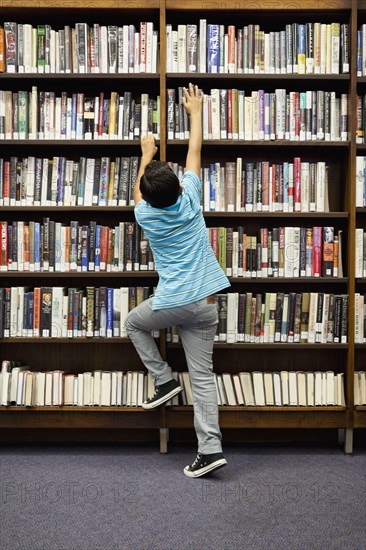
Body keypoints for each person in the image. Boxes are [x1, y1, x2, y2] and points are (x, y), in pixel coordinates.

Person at [125, 83, 230, 478]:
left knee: (133, 323)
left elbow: (138, 194)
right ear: (177, 184)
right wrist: (195, 113)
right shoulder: (191, 197)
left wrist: (145, 154)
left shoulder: (145, 215)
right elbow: (195, 152)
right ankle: (210, 450)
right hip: (206, 303)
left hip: (174, 303)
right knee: (203, 377)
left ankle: (164, 380)